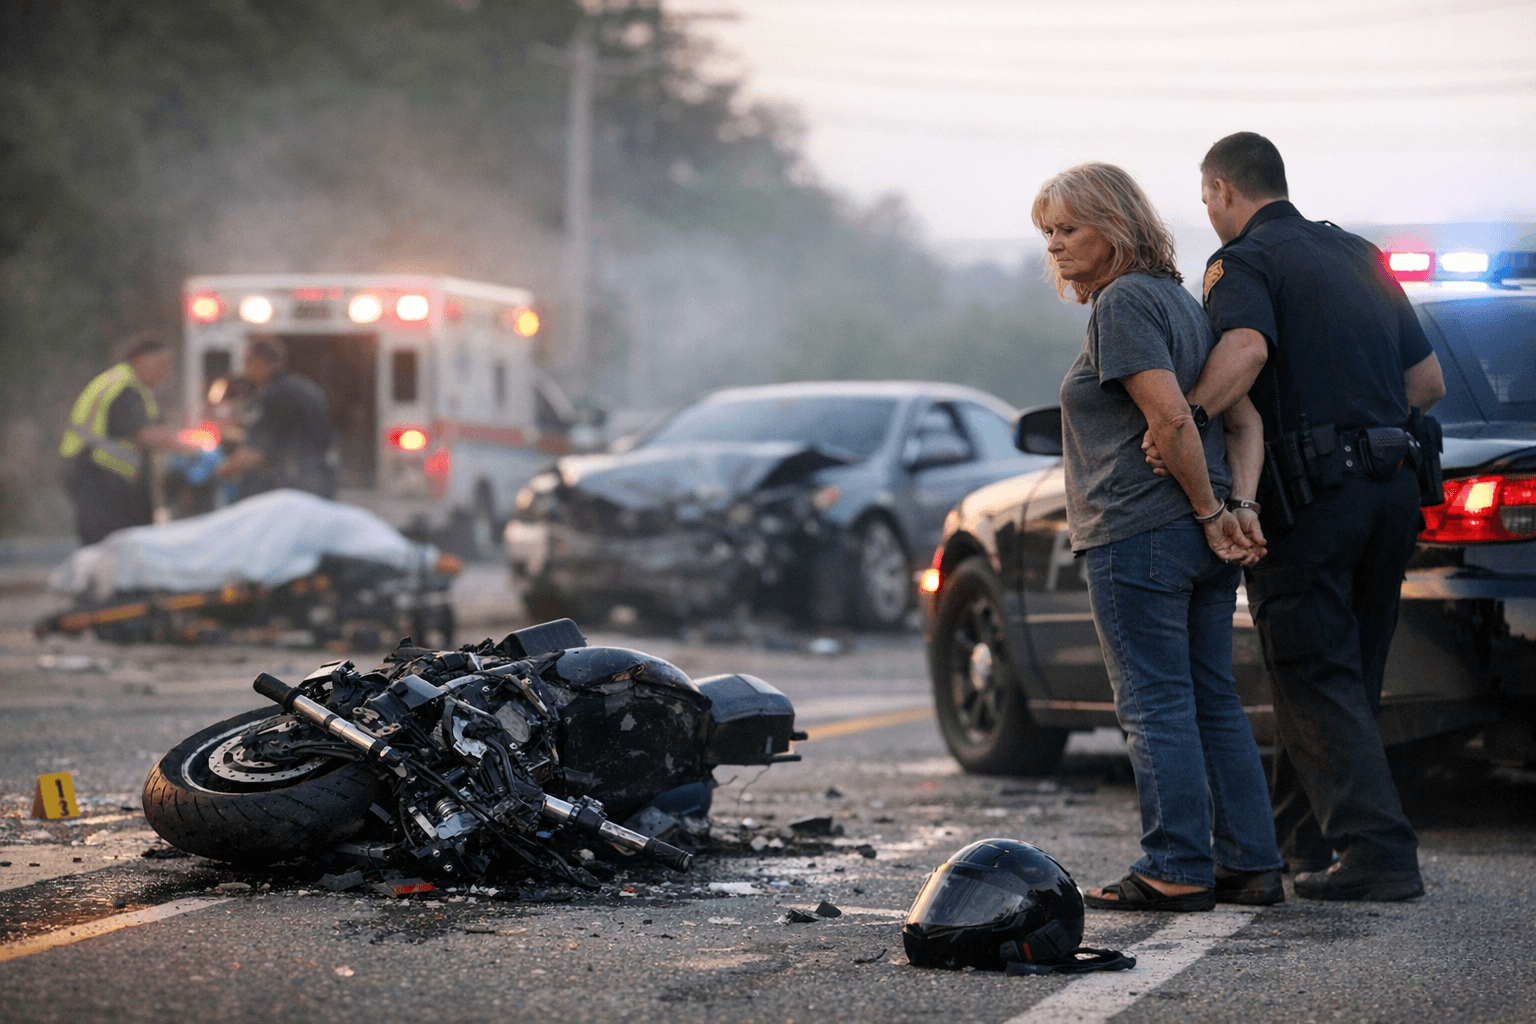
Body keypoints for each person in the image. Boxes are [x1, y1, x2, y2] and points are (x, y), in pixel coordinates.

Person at [1152, 132, 1446, 902]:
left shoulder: (1241, 262)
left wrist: (1181, 420)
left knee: (1312, 670)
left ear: (1221, 191)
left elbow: (1244, 350)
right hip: (1392, 491)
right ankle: (1299, 840)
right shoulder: (1358, 254)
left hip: (1314, 499)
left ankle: (1379, 852)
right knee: (1341, 675)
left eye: (1206, 199)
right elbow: (1429, 382)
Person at [1035, 163, 1284, 912]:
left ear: (1115, 225)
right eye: (1047, 232)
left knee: (1154, 703)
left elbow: (1173, 420)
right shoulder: (1182, 301)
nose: (1055, 245)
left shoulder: (1124, 303)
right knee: (1210, 699)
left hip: (1140, 531)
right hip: (1191, 535)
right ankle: (1250, 863)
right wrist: (1233, 508)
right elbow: (1241, 418)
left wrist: (1214, 513)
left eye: (1069, 228)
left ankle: (1176, 865)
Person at [59, 332, 192, 544]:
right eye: (161, 363)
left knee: (113, 543)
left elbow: (154, 428)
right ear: (140, 360)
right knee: (110, 544)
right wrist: (190, 445)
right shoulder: (123, 387)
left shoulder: (127, 385)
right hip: (100, 476)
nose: (165, 371)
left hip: (102, 476)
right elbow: (143, 433)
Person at [217, 337, 336, 500]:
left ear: (260, 362)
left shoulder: (275, 394)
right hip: (319, 479)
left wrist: (219, 471)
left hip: (295, 485)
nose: (245, 370)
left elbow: (254, 453)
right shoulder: (298, 387)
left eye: (248, 362)